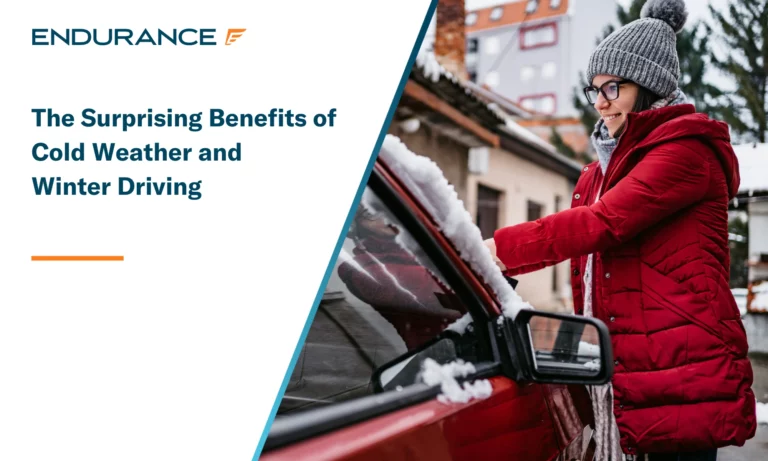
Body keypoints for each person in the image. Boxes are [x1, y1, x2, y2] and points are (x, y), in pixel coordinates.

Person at [484, 1, 756, 460]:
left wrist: (496, 248)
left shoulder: (686, 153)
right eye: (595, 89)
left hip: (680, 364)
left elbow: (602, 224)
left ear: (648, 85)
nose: (601, 101)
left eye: (614, 86)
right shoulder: (598, 171)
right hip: (625, 363)